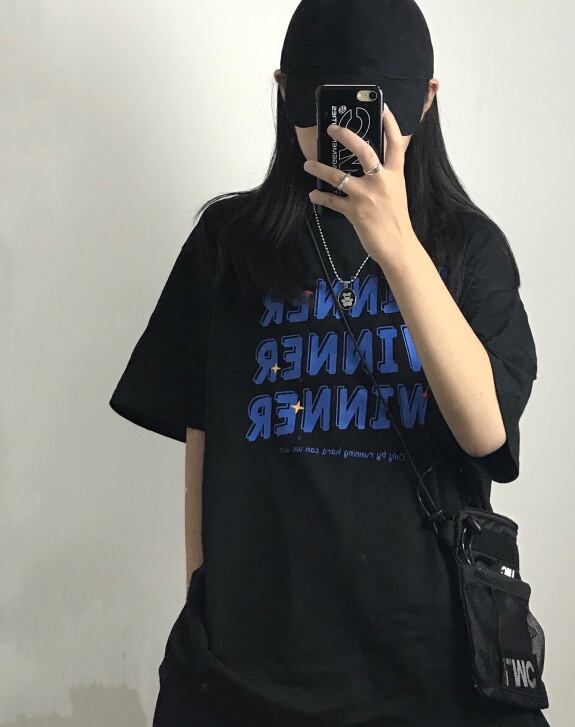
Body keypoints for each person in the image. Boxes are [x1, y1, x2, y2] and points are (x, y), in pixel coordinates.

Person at [109, 1, 548, 725]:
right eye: (327, 105)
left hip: (432, 675)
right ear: (285, 92)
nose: (348, 132)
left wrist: (397, 246)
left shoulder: (466, 248)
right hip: (247, 677)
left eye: (374, 107)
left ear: (426, 100)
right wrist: (204, 607)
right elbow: (204, 436)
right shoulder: (229, 243)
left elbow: (485, 433)